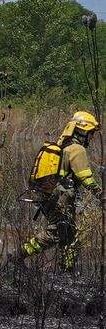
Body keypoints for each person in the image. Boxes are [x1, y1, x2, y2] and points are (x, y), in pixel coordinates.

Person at [20, 110, 104, 270]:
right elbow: (85, 177)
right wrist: (100, 194)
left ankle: (66, 271)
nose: (92, 138)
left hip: (50, 197)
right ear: (82, 131)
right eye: (90, 133)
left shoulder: (63, 146)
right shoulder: (77, 149)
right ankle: (18, 256)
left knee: (70, 235)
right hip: (60, 200)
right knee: (55, 233)